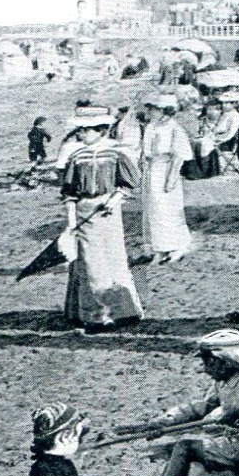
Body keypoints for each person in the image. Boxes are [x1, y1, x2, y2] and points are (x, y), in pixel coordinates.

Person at [135, 329, 239, 476]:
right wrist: (166, 421)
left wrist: (238, 413)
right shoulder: (222, 380)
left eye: (209, 363)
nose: (205, 369)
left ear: (226, 361)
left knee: (185, 446)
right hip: (227, 440)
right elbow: (203, 407)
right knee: (175, 447)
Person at [59, 108, 143, 332]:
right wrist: (71, 221)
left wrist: (113, 201)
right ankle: (97, 315)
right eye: (80, 130)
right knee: (91, 264)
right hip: (84, 212)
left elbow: (129, 183)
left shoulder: (116, 154)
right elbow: (68, 191)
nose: (81, 134)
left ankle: (125, 311)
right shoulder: (77, 157)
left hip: (109, 212)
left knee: (115, 258)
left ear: (101, 131)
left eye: (86, 130)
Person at [139, 93, 193, 265]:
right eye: (149, 108)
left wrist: (170, 180)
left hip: (167, 170)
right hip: (152, 170)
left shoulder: (175, 129)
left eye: (153, 109)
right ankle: (159, 249)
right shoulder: (151, 127)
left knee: (168, 210)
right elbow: (146, 151)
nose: (150, 112)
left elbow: (179, 156)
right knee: (153, 211)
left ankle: (177, 247)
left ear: (164, 110)